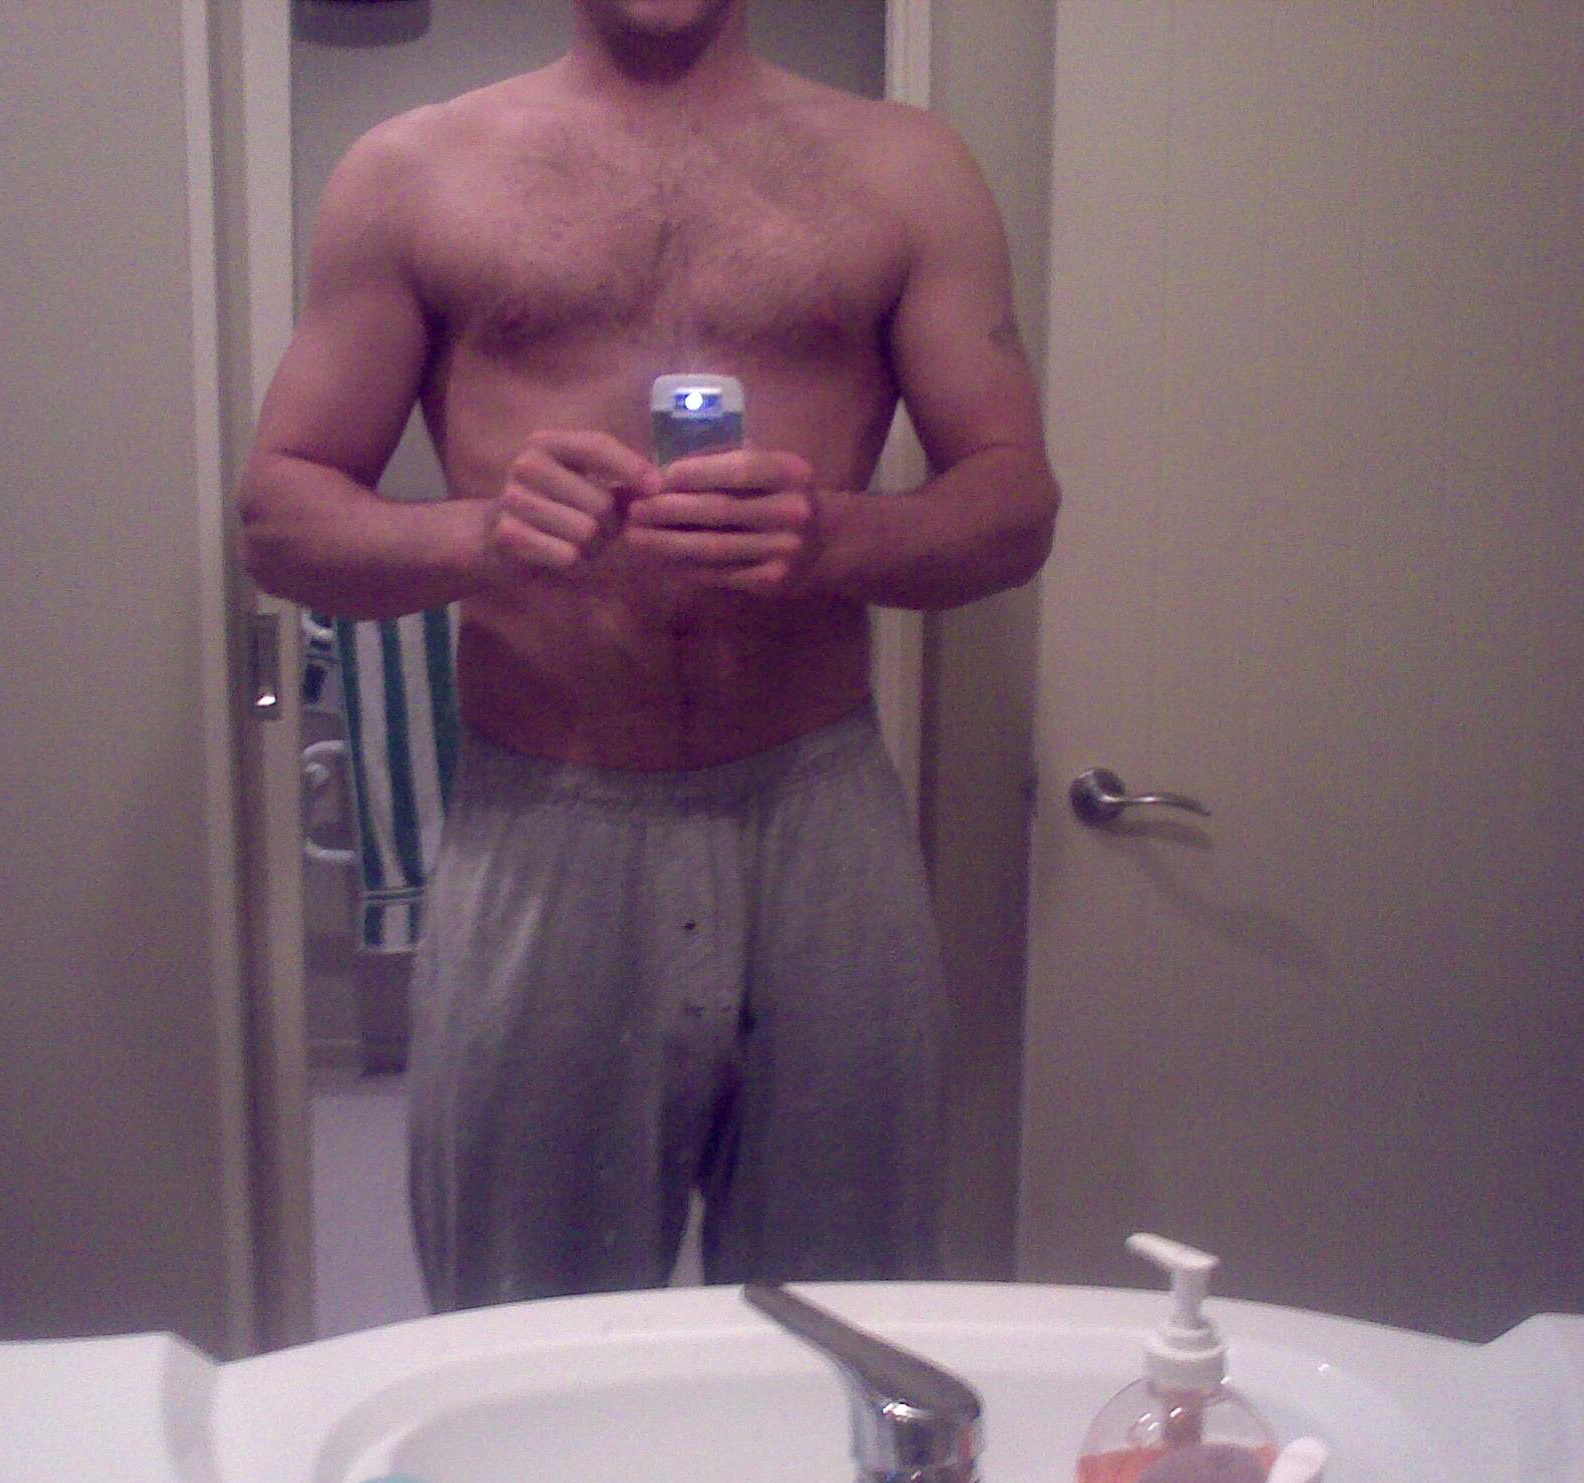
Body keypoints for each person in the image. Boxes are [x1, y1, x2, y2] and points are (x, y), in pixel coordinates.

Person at [237, 0, 1059, 1310]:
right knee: (524, 1334)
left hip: (819, 822)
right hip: (545, 825)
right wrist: (481, 535)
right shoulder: (413, 173)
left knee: (846, 1327)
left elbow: (1014, 505)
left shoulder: (908, 170)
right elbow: (279, 517)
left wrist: (833, 537)